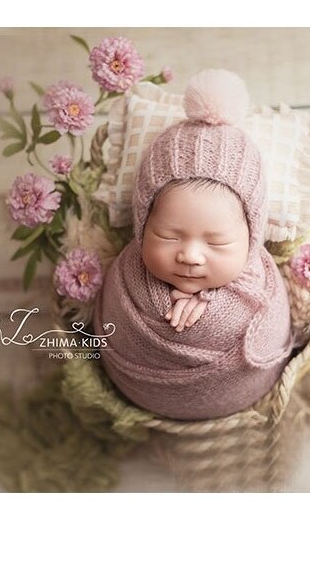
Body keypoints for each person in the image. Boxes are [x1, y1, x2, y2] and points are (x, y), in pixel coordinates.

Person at [93, 69, 296, 420]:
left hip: (243, 392)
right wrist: (161, 310)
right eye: (169, 236)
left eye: (217, 242)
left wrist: (215, 309)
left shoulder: (262, 285)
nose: (190, 255)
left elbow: (272, 333)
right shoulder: (125, 278)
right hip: (135, 390)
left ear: (252, 237)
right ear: (142, 225)